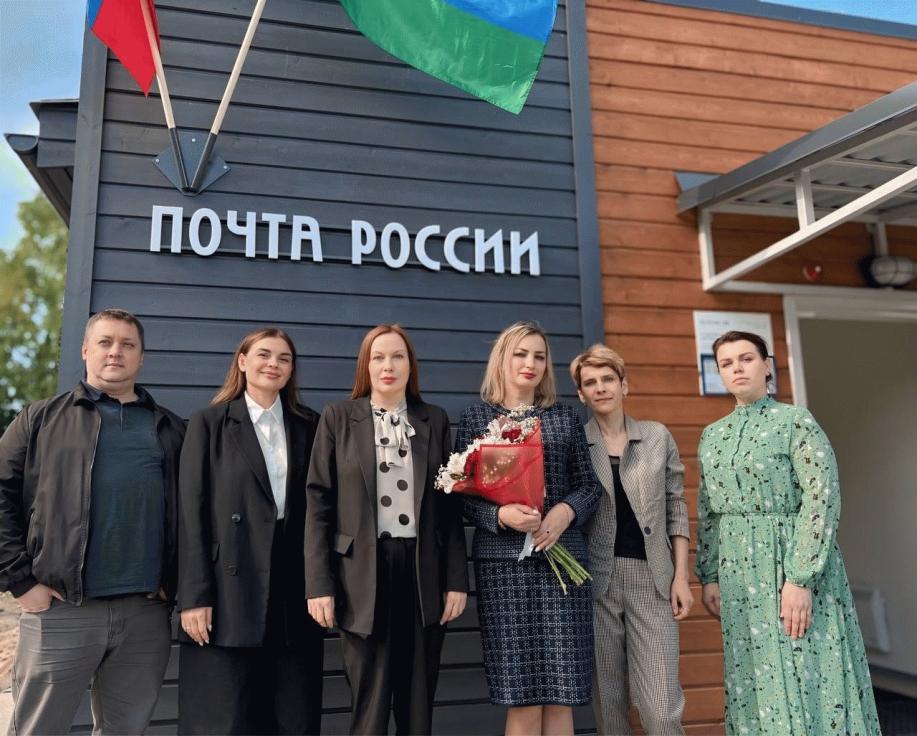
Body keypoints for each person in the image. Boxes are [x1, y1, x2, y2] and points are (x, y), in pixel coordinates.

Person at [0, 308, 185, 735]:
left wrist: (174, 581)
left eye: (127, 344)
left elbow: (194, 514)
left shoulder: (171, 429)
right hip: (61, 610)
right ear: (85, 351)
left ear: (141, 357)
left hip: (144, 614)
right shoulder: (41, 419)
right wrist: (20, 582)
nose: (115, 352)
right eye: (105, 342)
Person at [695, 330, 881, 736]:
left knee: (806, 669)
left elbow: (822, 498)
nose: (737, 368)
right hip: (739, 577)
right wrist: (709, 574)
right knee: (754, 677)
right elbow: (708, 509)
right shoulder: (712, 435)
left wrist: (800, 578)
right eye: (726, 363)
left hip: (791, 565)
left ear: (767, 366)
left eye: (746, 358)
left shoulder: (796, 422)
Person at [305, 324, 468, 735]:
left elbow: (449, 508)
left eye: (397, 356)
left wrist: (456, 580)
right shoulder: (338, 418)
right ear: (366, 365)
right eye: (378, 357)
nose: (388, 366)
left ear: (411, 366)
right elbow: (318, 505)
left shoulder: (434, 419)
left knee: (418, 707)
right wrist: (318, 584)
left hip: (422, 573)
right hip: (360, 574)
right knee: (370, 705)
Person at [176, 327, 325, 735]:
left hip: (293, 589)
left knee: (293, 719)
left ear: (291, 370)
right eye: (264, 354)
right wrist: (194, 597)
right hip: (227, 592)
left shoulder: (309, 426)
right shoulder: (209, 423)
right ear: (242, 362)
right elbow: (191, 513)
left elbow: (321, 510)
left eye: (284, 358)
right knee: (227, 720)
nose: (273, 364)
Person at [458, 321, 602, 736]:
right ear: (502, 358)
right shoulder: (477, 418)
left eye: (539, 356)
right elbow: (462, 496)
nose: (531, 363)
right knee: (521, 696)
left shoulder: (564, 418)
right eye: (521, 353)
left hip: (563, 565)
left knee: (562, 695)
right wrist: (500, 516)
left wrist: (565, 512)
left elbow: (589, 486)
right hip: (504, 570)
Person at [569, 344, 691, 735]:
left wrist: (681, 577)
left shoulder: (656, 436)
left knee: (661, 709)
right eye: (590, 382)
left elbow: (676, 507)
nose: (600, 388)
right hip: (597, 584)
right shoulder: (575, 444)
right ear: (581, 394)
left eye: (608, 379)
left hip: (653, 579)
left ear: (624, 385)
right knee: (610, 709)